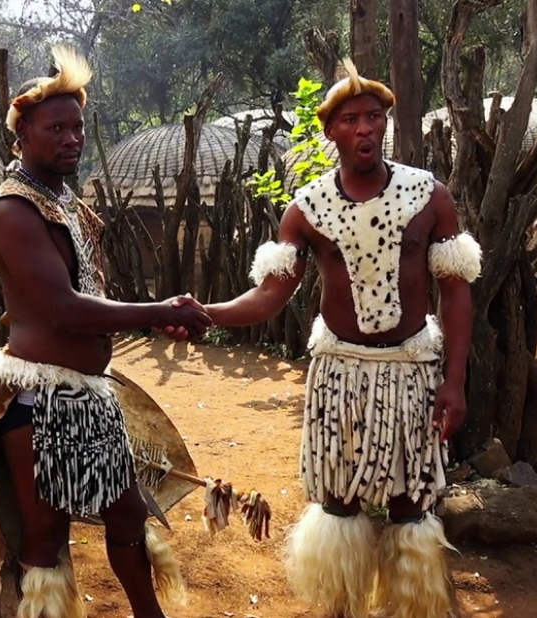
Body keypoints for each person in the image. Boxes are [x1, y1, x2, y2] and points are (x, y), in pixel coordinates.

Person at [200, 59, 480, 618]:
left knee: (410, 503)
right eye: (351, 119)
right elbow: (272, 294)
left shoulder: (429, 197)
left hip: (411, 369)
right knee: (338, 500)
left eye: (374, 117)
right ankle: (340, 608)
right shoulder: (306, 209)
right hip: (340, 372)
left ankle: (411, 608)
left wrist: (453, 381)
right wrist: (207, 313)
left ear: (385, 125)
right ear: (331, 131)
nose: (365, 129)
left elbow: (456, 292)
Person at [0, 45, 211, 618]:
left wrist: (154, 315)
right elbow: (66, 310)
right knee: (44, 540)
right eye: (57, 127)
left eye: (78, 126)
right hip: (37, 400)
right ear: (22, 131)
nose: (72, 137)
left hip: (87, 397)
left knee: (127, 515)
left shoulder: (62, 200)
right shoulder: (12, 209)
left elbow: (90, 298)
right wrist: (154, 310)